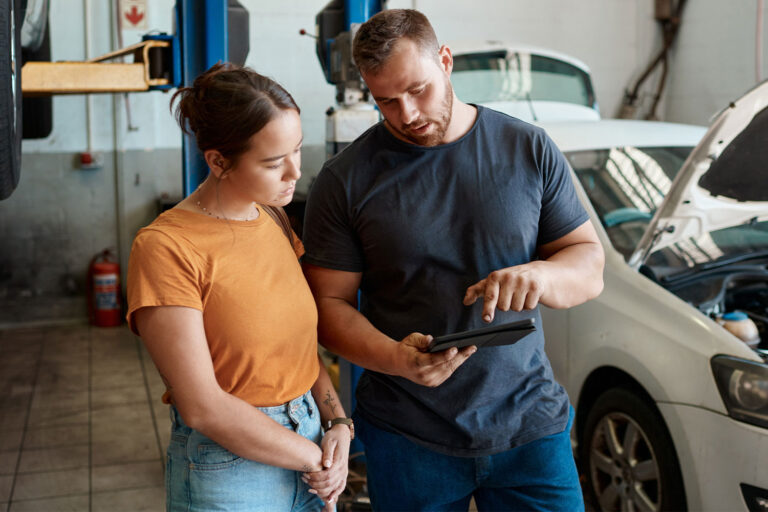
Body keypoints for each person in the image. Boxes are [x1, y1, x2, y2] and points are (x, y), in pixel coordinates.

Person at [301, 9, 604, 512]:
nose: (407, 113)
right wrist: (398, 359)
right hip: (408, 434)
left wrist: (542, 274)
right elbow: (327, 308)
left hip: (529, 424)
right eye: (386, 102)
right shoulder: (344, 180)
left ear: (445, 61)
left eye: (417, 89)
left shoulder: (527, 147)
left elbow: (588, 265)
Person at [126, 63, 351, 512]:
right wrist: (313, 459)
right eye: (273, 162)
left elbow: (299, 351)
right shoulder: (166, 247)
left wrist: (337, 423)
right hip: (231, 467)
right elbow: (203, 406)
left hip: (309, 445)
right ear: (218, 161)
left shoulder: (272, 217)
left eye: (298, 150)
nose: (294, 172)